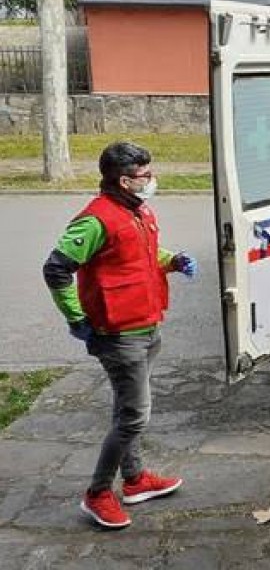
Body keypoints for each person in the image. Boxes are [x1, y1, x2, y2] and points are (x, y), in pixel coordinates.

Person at [42, 142, 198, 529]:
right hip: (118, 335)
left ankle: (135, 480)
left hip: (146, 326)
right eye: (146, 174)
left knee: (128, 410)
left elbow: (142, 254)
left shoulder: (137, 210)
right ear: (125, 180)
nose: (153, 179)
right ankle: (97, 494)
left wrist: (172, 260)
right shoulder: (95, 220)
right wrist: (76, 319)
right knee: (132, 416)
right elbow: (56, 269)